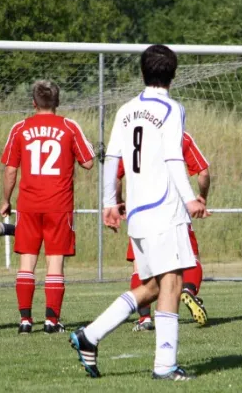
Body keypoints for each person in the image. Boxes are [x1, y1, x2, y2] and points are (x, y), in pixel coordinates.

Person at [69, 44, 209, 380]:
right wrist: (190, 198)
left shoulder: (126, 109)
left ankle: (89, 336)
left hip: (138, 212)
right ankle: (165, 366)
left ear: (143, 73)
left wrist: (107, 203)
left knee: (151, 287)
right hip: (164, 208)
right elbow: (176, 158)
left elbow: (112, 159)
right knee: (173, 284)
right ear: (173, 75)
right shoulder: (172, 109)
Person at [0, 80, 95, 334]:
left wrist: (6, 200)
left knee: (26, 262)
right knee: (55, 262)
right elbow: (88, 162)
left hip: (29, 205)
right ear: (58, 101)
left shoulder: (20, 128)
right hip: (58, 205)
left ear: (33, 102)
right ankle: (52, 321)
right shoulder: (68, 126)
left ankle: (25, 321)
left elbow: (10, 170)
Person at [117, 131, 211, 331]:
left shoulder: (132, 134)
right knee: (191, 258)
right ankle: (189, 290)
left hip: (140, 211)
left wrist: (118, 201)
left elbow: (116, 175)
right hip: (173, 209)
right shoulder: (180, 135)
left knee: (140, 267)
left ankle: (144, 319)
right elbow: (203, 172)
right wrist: (202, 196)